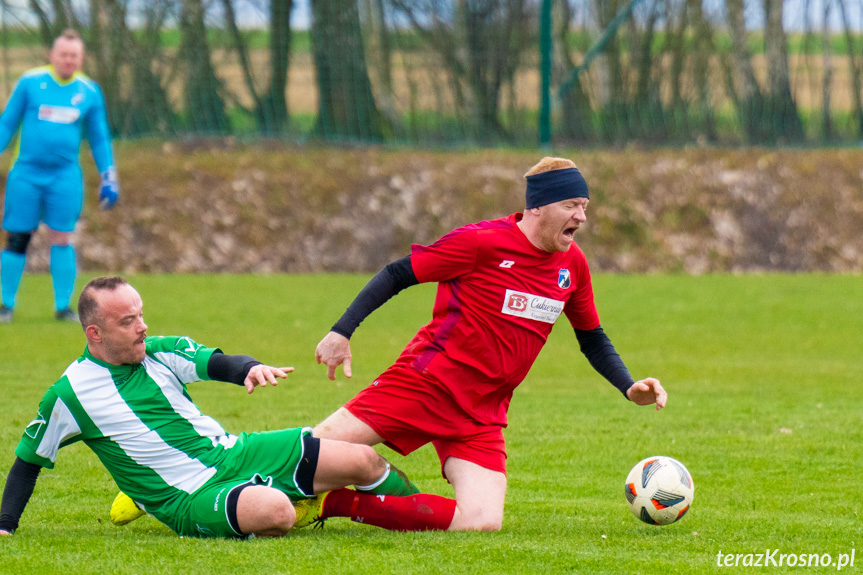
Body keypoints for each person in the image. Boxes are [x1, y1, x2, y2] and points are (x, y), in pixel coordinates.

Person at [312, 157, 668, 531]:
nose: (581, 217)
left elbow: (592, 337)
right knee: (310, 456)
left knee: (482, 521)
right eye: (570, 206)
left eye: (584, 207)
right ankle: (247, 468)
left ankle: (334, 503)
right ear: (537, 207)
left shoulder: (572, 265)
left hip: (481, 412)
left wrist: (629, 386)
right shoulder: (481, 242)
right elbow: (398, 273)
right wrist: (341, 331)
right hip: (427, 383)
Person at [0, 276, 458, 538]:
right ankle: (328, 506)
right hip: (188, 494)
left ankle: (418, 511)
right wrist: (5, 525)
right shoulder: (70, 394)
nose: (142, 327)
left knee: (362, 458)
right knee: (276, 511)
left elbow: (215, 364)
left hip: (231, 452)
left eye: (141, 314)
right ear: (94, 333)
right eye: (128, 321)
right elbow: (27, 461)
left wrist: (251, 369)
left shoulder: (160, 351)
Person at [0, 29, 119, 324]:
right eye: (63, 54)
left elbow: (100, 138)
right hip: (26, 174)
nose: (68, 60)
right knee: (17, 237)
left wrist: (109, 176)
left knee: (62, 238)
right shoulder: (30, 83)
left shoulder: (89, 92)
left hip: (64, 177)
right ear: (52, 56)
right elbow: (7, 124)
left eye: (74, 55)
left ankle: (63, 307)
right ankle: (5, 305)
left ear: (81, 59)